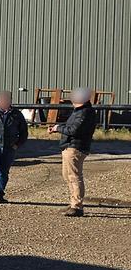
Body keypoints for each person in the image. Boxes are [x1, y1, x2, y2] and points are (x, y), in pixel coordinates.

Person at [49, 88, 98, 217]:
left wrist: (58, 128)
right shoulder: (80, 112)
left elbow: (74, 130)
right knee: (68, 176)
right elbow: (72, 127)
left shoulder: (84, 112)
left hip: (75, 147)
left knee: (74, 177)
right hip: (70, 146)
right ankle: (73, 203)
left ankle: (77, 206)